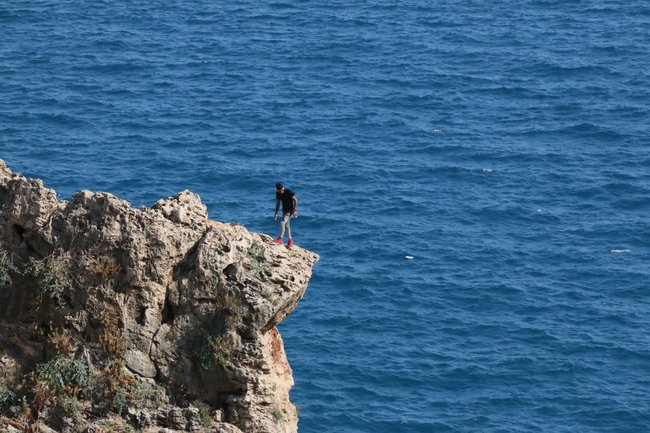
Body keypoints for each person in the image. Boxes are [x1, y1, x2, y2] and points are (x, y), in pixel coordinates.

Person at [273, 182, 298, 248]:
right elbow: (278, 204)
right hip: (284, 211)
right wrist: (276, 214)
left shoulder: (288, 191)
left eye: (282, 189)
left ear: (283, 187)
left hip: (290, 211)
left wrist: (295, 210)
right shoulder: (278, 194)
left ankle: (280, 238)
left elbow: (295, 200)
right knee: (287, 226)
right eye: (280, 190)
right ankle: (290, 241)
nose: (281, 191)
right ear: (277, 190)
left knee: (282, 223)